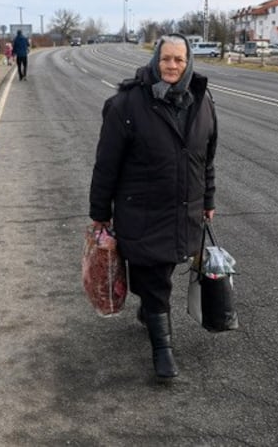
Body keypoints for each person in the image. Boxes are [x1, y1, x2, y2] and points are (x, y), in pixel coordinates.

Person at [88, 34, 218, 380]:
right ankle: (163, 352)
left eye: (179, 59)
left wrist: (208, 200)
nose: (172, 66)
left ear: (188, 61)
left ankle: (148, 307)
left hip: (183, 208)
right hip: (142, 211)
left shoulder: (202, 101)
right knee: (156, 277)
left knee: (162, 272)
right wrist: (99, 212)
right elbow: (106, 165)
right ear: (155, 61)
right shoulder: (126, 105)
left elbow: (206, 159)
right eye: (166, 59)